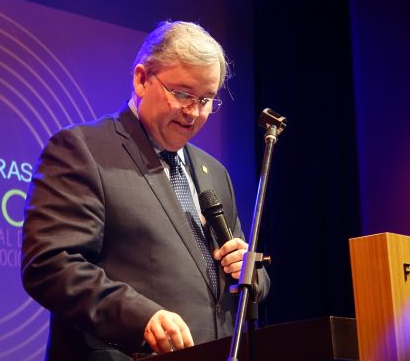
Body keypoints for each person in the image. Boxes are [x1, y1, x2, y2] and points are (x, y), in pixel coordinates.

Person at [21, 20, 270, 360]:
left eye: (206, 99)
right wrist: (141, 318)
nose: (194, 112)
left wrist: (251, 272)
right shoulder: (84, 150)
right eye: (182, 94)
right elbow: (51, 264)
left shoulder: (215, 174)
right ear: (141, 79)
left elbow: (244, 281)